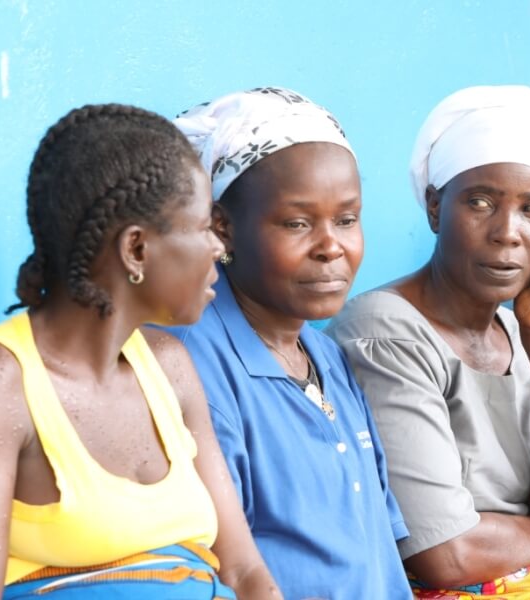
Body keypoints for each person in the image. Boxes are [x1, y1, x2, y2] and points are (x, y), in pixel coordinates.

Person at [327, 85, 530, 599]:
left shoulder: (525, 335)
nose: (507, 232)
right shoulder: (386, 330)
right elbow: (445, 553)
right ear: (435, 207)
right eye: (481, 202)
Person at [0, 104, 281, 599]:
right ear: (136, 249)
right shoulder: (0, 380)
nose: (217, 248)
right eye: (202, 227)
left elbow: (244, 571)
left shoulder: (169, 365)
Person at [169, 87, 412, 600]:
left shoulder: (326, 357)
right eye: (298, 223)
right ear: (223, 229)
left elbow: (380, 556)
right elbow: (220, 570)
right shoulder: (192, 365)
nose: (331, 247)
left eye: (347, 220)